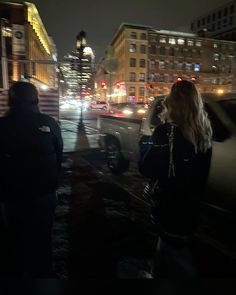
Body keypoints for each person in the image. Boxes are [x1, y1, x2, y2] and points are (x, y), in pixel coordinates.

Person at [138, 80, 212, 278]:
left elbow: (147, 168)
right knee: (171, 250)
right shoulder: (204, 133)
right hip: (192, 208)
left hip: (169, 208)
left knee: (177, 256)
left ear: (172, 103)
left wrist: (145, 143)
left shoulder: (165, 132)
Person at [0, 81, 63, 278]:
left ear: (11, 100)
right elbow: (59, 155)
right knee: (42, 240)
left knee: (13, 239)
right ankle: (44, 273)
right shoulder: (49, 123)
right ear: (36, 99)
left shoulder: (2, 125)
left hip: (10, 196)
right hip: (44, 193)